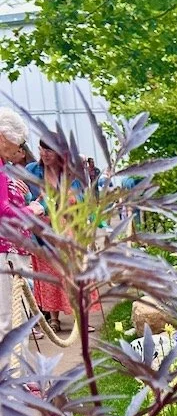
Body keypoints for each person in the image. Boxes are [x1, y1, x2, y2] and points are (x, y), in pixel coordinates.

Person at [28, 140, 85, 333]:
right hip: (43, 232)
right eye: (42, 149)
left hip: (67, 231)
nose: (44, 153)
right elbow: (25, 196)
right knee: (49, 275)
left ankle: (79, 318)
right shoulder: (32, 170)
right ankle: (54, 319)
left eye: (49, 150)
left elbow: (81, 199)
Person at [0, 107, 31, 339]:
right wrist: (33, 211)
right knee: (9, 320)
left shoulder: (5, 168)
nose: (18, 149)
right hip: (5, 251)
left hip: (14, 248)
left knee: (18, 318)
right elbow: (2, 209)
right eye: (16, 142)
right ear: (2, 137)